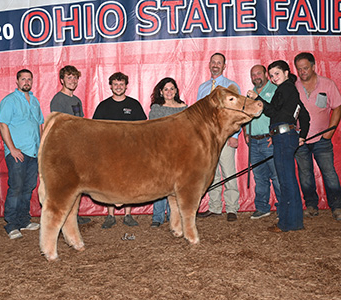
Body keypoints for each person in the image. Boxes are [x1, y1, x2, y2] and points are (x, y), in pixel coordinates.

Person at [247, 60, 310, 232]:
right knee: (288, 179)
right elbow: (304, 116)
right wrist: (301, 136)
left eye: (277, 74)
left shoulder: (285, 89)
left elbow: (274, 112)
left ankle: (286, 223)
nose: (274, 78)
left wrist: (258, 99)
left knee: (285, 180)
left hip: (282, 136)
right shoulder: (291, 90)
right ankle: (294, 221)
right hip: (287, 136)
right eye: (272, 75)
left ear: (287, 72)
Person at [92, 72, 147, 229]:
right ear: (110, 86)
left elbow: (143, 128)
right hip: (108, 152)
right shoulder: (103, 106)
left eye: (121, 84)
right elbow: (94, 129)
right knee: (109, 182)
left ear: (126, 86)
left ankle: (128, 215)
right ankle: (110, 215)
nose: (118, 87)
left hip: (130, 151)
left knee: (129, 181)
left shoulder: (134, 105)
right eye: (115, 84)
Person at [294, 52, 341, 220]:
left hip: (322, 139)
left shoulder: (327, 84)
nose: (302, 72)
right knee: (305, 175)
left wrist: (330, 131)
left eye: (305, 68)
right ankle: (312, 206)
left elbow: (337, 107)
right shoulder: (294, 86)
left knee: (329, 173)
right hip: (301, 140)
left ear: (314, 67)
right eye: (299, 69)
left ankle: (337, 207)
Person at [0, 69, 44, 239]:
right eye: (23, 79)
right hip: (18, 152)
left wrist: (42, 147)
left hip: (33, 152)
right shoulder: (9, 100)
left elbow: (40, 125)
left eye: (29, 79)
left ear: (32, 81)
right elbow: (3, 124)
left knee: (28, 187)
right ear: (17, 82)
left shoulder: (34, 101)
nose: (26, 82)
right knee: (16, 188)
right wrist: (12, 148)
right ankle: (11, 224)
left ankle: (24, 220)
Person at [196, 53, 241, 222]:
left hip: (225, 135)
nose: (215, 65)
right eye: (213, 62)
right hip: (208, 138)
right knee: (211, 173)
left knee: (228, 171)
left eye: (219, 63)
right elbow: (199, 114)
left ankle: (232, 208)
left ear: (224, 66)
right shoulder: (203, 87)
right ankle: (214, 207)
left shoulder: (231, 85)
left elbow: (237, 113)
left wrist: (235, 134)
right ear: (209, 64)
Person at [50, 65, 91, 225]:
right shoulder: (58, 100)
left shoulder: (77, 100)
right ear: (62, 80)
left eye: (75, 78)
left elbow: (80, 123)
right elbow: (58, 125)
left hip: (77, 147)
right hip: (65, 148)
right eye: (69, 78)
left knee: (76, 183)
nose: (73, 81)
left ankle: (73, 215)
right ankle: (62, 216)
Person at [149, 77, 188, 228]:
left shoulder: (184, 108)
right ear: (161, 92)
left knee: (177, 185)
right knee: (160, 184)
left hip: (179, 152)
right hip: (161, 152)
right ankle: (157, 217)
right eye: (166, 89)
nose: (169, 92)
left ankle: (175, 216)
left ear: (176, 90)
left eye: (172, 88)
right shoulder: (156, 109)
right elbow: (152, 131)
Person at [244, 65, 281, 219]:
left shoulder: (275, 90)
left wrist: (275, 133)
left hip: (269, 139)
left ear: (266, 74)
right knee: (259, 176)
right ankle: (262, 207)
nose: (256, 76)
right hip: (253, 141)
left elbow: (278, 113)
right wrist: (246, 132)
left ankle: (283, 207)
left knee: (277, 175)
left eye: (259, 73)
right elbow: (245, 114)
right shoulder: (250, 94)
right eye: (253, 74)